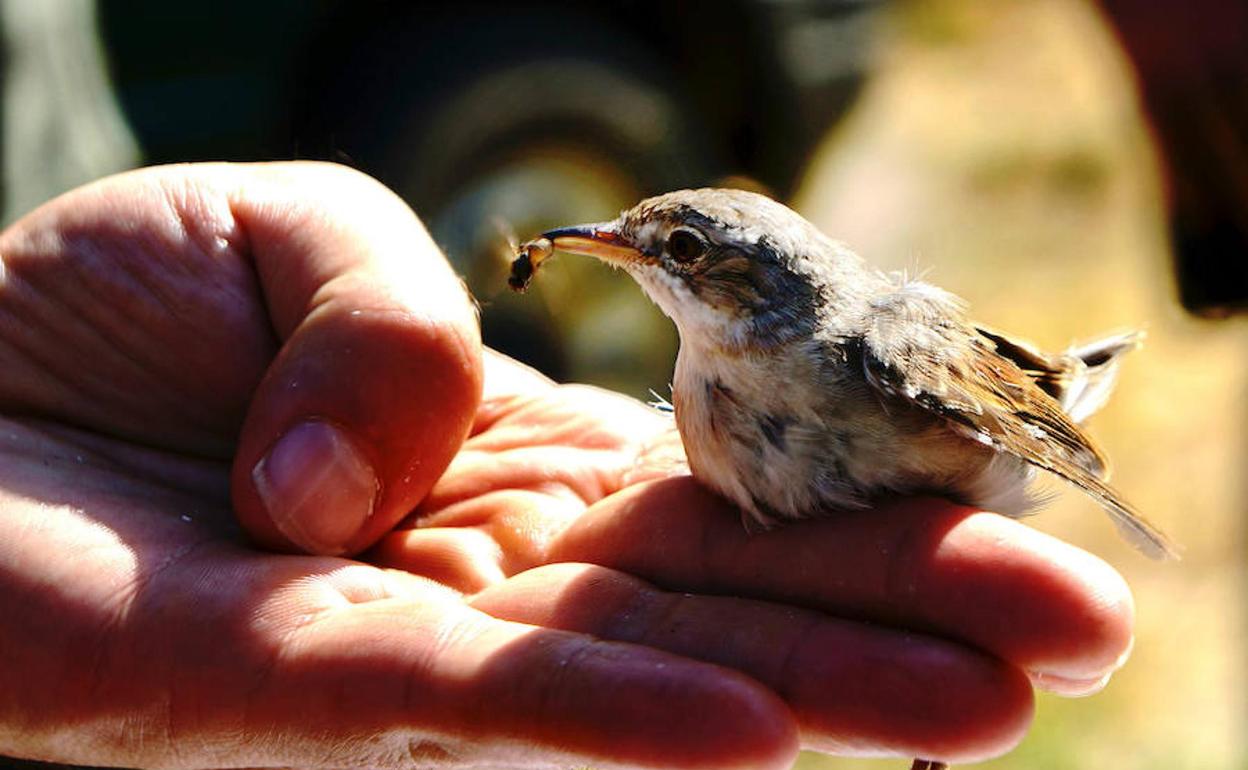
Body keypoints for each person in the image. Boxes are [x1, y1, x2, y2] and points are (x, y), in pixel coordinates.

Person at [0, 162, 1134, 770]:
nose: (631, 259)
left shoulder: (874, 352)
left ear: (760, 285)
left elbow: (1020, 423)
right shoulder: (700, 390)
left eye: (677, 255)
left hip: (976, 421)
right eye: (632, 243)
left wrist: (1071, 430)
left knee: (945, 616)